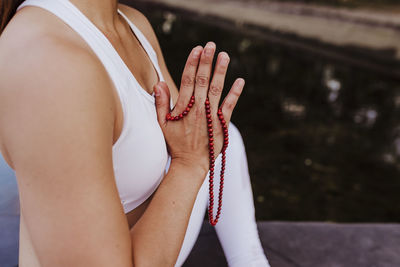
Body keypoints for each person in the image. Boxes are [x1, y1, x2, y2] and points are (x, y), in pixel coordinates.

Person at [0, 0, 270, 266]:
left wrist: (193, 153)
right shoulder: (49, 63)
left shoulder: (132, 23)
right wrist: (188, 165)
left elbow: (194, 132)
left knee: (221, 134)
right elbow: (192, 154)